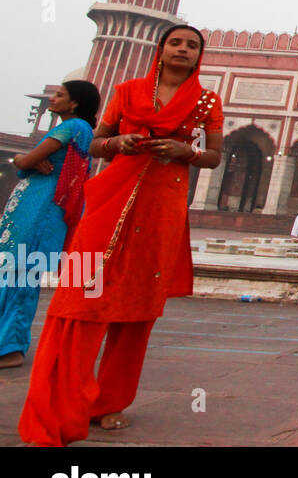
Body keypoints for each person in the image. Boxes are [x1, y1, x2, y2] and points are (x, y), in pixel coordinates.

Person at [18, 25, 224, 446]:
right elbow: (96, 144)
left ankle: (110, 401)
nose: (183, 50)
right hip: (112, 199)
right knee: (83, 297)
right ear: (160, 49)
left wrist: (187, 152)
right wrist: (120, 143)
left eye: (192, 45)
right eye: (176, 43)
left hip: (164, 203)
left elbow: (215, 156)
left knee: (138, 306)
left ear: (199, 55)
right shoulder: (128, 91)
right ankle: (66, 397)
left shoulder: (207, 99)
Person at [0, 80, 101, 369]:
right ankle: (5, 343)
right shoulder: (77, 129)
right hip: (35, 206)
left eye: (59, 95)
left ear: (75, 103)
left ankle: (11, 348)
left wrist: (25, 160)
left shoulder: (73, 127)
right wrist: (31, 162)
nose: (53, 99)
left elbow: (24, 161)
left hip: (41, 208)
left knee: (20, 276)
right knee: (13, 273)